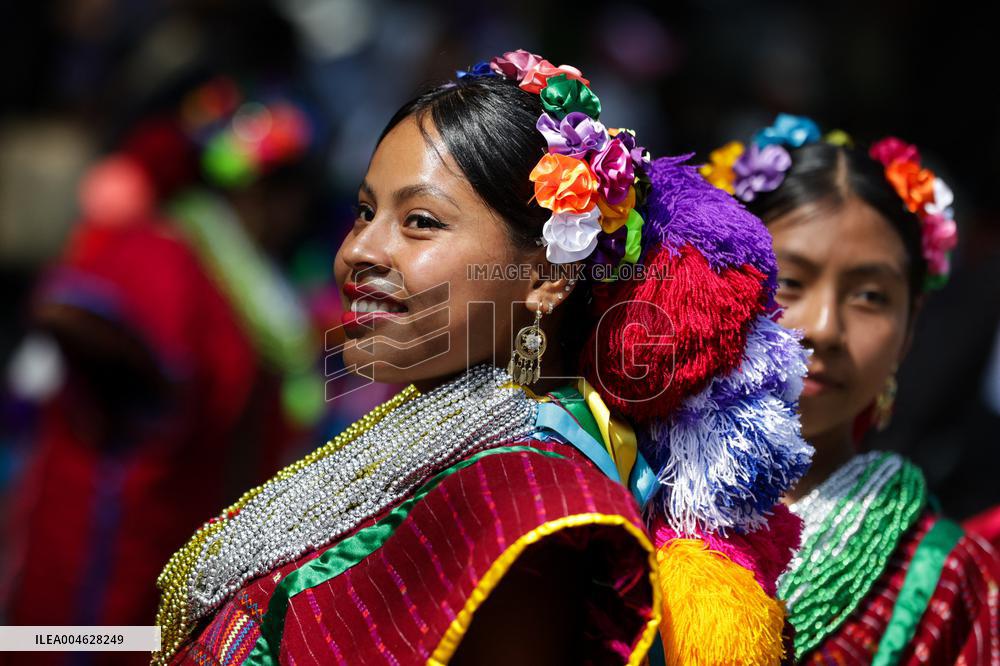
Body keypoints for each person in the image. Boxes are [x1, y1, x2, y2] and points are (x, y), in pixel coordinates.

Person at [154, 51, 813, 665]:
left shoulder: (529, 504)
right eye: (363, 212)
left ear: (550, 274)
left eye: (420, 222)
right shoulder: (455, 439)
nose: (359, 250)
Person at [0, 78, 324, 666]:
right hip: (108, 551)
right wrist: (145, 391)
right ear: (250, 192)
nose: (291, 210)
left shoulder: (256, 288)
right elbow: (63, 308)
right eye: (281, 189)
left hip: (176, 555)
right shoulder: (169, 252)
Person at [702, 114, 1000, 664]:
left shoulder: (946, 579)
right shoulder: (623, 489)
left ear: (911, 329)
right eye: (789, 281)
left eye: (870, 296)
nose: (824, 327)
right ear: (720, 281)